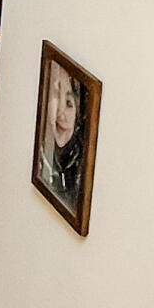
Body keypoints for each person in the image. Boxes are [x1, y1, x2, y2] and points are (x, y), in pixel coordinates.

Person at [39, 58, 89, 210]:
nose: (60, 113)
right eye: (55, 96)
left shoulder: (80, 166)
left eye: (69, 103)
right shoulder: (39, 152)